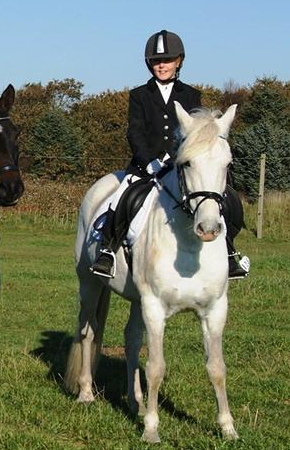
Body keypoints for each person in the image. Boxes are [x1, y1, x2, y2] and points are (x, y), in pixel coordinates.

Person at [90, 29, 250, 280]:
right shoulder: (139, 95)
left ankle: (230, 253)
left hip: (182, 166)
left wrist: (181, 158)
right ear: (149, 64)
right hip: (146, 166)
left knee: (223, 199)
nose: (161, 65)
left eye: (166, 60)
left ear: (179, 62)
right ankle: (108, 251)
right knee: (121, 197)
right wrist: (149, 161)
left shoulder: (191, 94)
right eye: (156, 61)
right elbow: (135, 133)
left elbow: (196, 132)